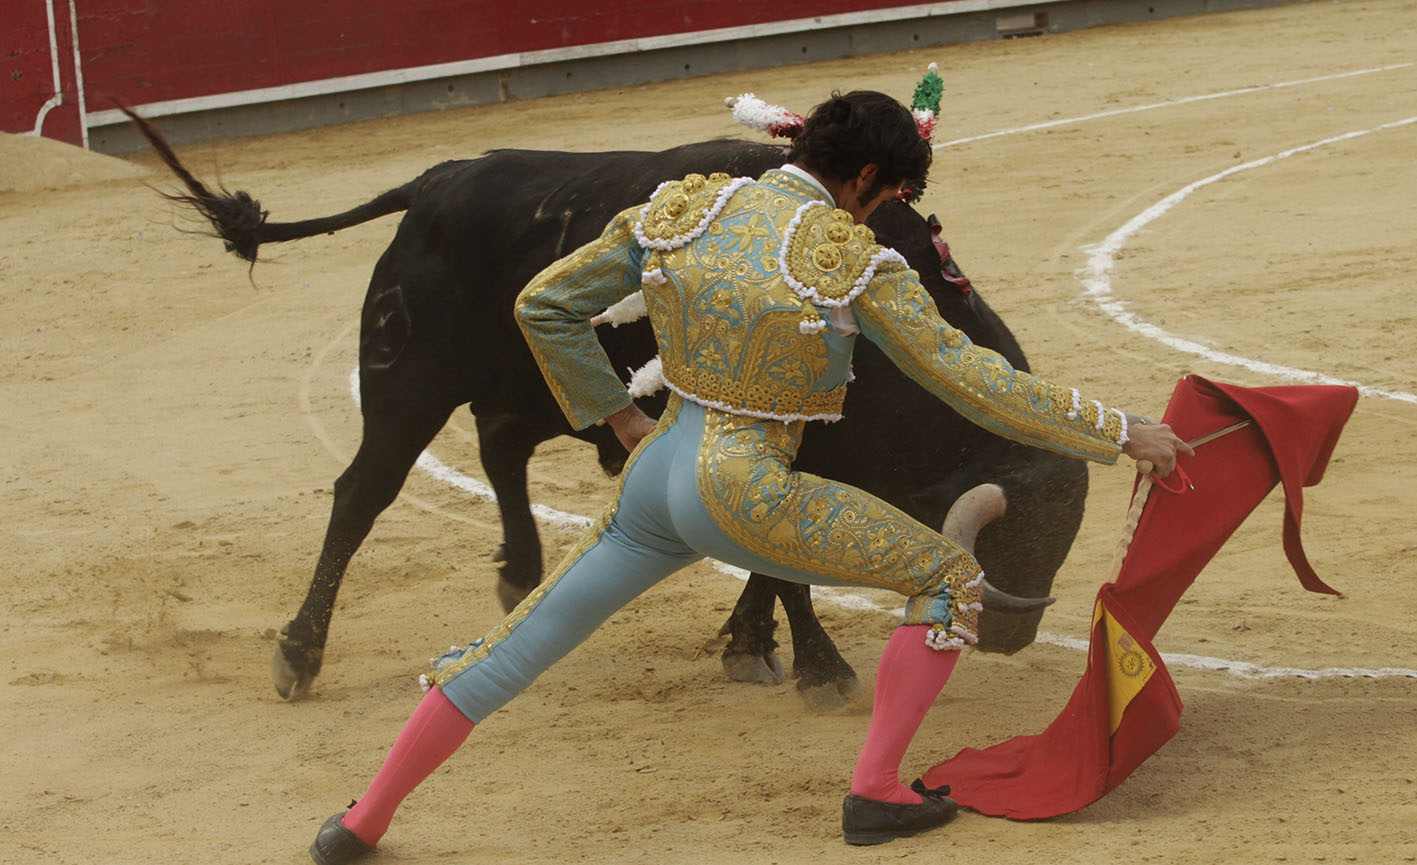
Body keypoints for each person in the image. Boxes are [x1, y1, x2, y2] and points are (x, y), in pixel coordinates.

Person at [307, 90, 1191, 863]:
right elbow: (972, 379)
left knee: (512, 652)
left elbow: (544, 304)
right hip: (745, 488)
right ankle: (877, 790)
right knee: (948, 579)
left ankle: (363, 818)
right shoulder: (847, 260)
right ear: (865, 177)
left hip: (654, 478)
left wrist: (619, 416)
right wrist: (1119, 431)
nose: (884, 213)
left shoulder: (683, 209)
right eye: (889, 194)